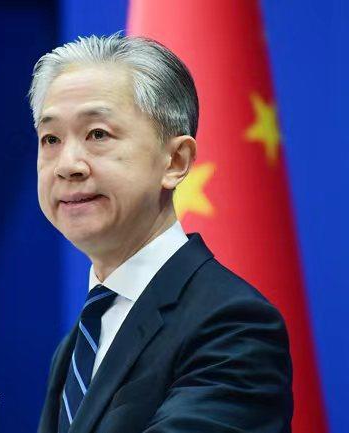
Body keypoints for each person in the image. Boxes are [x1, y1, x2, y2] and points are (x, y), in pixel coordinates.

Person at [29, 34, 293, 433]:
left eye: (97, 134)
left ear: (175, 161)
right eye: (51, 139)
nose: (67, 165)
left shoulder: (234, 325)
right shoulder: (77, 344)